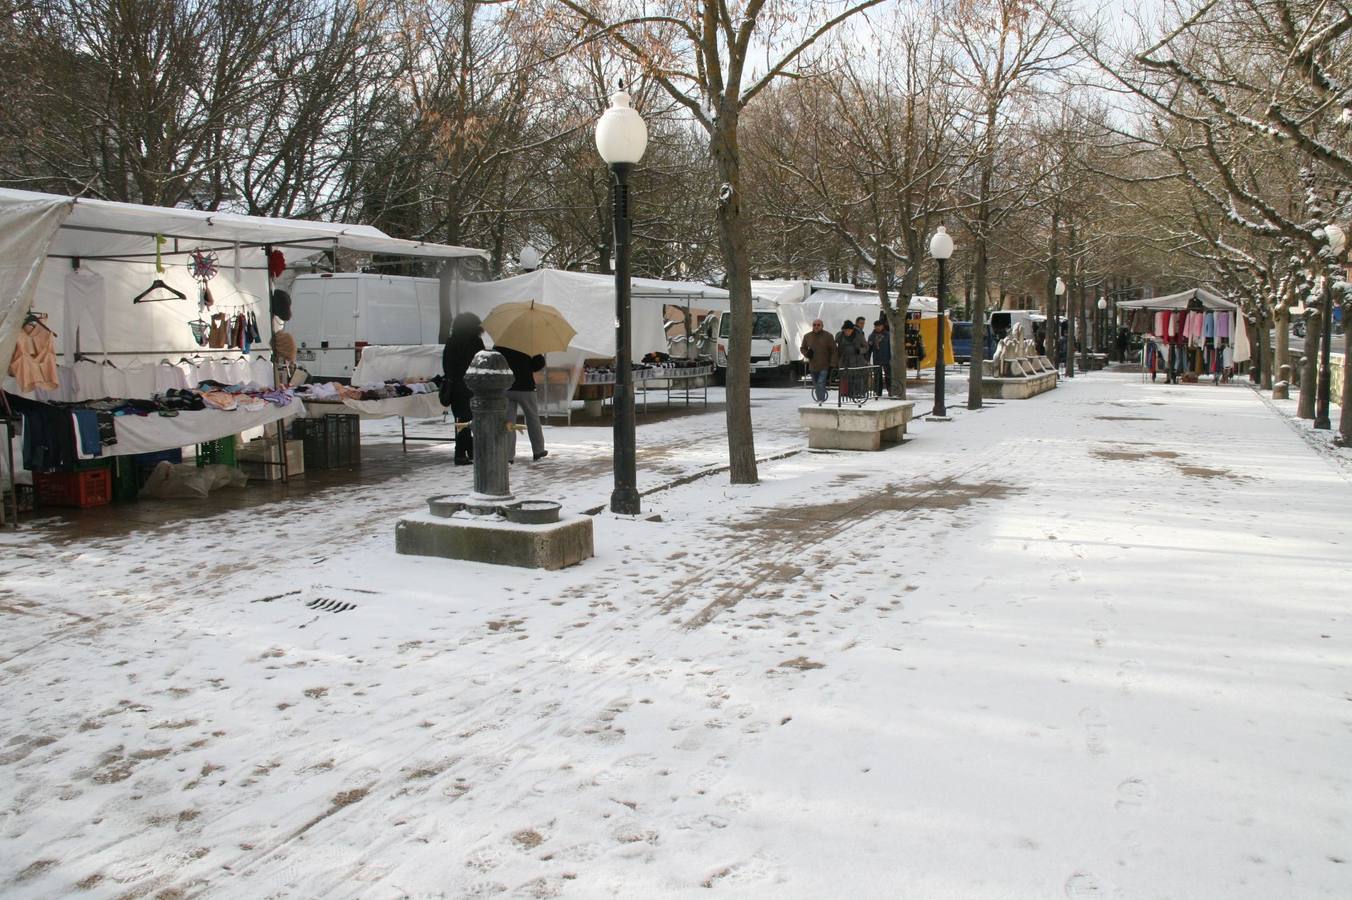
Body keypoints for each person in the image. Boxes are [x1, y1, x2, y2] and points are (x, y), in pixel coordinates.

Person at [440, 311, 485, 465]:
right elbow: (482, 362)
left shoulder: (451, 341)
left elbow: (447, 364)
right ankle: (460, 453)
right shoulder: (476, 342)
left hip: (456, 387)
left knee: (462, 420)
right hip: (473, 385)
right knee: (471, 419)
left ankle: (469, 450)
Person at [496, 343, 548, 462]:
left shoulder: (500, 344)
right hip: (526, 387)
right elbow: (539, 363)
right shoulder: (528, 343)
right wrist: (527, 366)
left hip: (506, 387)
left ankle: (508, 455)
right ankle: (538, 450)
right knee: (532, 418)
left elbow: (495, 364)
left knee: (508, 422)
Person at [799, 318, 837, 402]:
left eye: (818, 325)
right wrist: (807, 354)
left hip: (825, 365)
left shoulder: (828, 336)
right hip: (813, 366)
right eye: (814, 325)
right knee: (816, 384)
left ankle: (820, 401)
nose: (816, 326)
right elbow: (802, 348)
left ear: (822, 326)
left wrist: (833, 364)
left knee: (820, 383)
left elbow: (834, 350)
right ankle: (820, 399)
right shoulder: (807, 336)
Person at [836, 319, 870, 397]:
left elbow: (866, 347)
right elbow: (838, 348)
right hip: (845, 360)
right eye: (845, 330)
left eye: (849, 330)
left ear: (852, 330)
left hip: (858, 360)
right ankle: (850, 394)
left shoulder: (859, 336)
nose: (847, 332)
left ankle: (860, 393)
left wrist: (860, 350)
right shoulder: (840, 337)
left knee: (858, 377)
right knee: (848, 377)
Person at [868, 318, 892, 396]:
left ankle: (890, 390)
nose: (878, 328)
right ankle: (878, 391)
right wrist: (868, 359)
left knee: (888, 376)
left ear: (882, 326)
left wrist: (891, 358)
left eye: (879, 326)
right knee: (877, 376)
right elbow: (869, 349)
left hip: (887, 358)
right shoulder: (872, 336)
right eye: (876, 326)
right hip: (877, 359)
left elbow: (891, 347)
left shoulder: (888, 335)